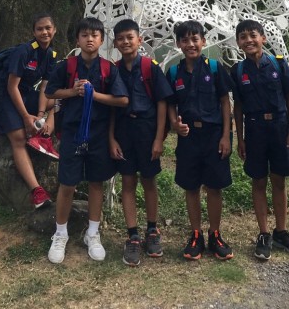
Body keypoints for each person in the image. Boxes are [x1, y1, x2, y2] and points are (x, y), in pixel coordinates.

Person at [44, 17, 129, 264]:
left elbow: (122, 99)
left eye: (95, 35)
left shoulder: (108, 68)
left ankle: (92, 233)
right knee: (67, 184)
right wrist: (74, 91)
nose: (89, 39)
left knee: (95, 183)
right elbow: (50, 91)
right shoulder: (67, 66)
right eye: (84, 35)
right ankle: (60, 234)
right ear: (77, 39)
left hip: (99, 135)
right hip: (72, 133)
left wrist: (95, 94)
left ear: (102, 40)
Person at [231, 19, 289, 260]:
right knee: (258, 181)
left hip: (279, 127)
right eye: (243, 37)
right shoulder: (238, 71)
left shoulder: (278, 64)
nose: (248, 40)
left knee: (279, 180)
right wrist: (240, 139)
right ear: (238, 43)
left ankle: (282, 232)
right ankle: (264, 234)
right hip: (254, 130)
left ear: (263, 38)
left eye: (253, 35)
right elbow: (238, 107)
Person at [167, 20, 234, 261]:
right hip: (189, 138)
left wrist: (226, 135)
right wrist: (174, 123)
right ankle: (196, 234)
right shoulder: (174, 72)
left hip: (214, 135)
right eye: (185, 40)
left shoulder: (215, 68)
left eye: (195, 39)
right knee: (191, 186)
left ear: (204, 42)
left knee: (214, 186)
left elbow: (225, 102)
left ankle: (215, 234)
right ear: (178, 44)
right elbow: (170, 103)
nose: (190, 44)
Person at [108, 18, 173, 266]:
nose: (126, 42)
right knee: (127, 181)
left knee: (149, 180)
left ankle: (152, 230)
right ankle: (133, 235)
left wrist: (159, 138)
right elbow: (112, 108)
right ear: (115, 43)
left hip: (147, 129)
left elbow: (162, 103)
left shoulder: (150, 67)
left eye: (130, 37)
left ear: (139, 40)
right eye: (121, 38)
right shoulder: (113, 69)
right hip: (124, 130)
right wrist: (111, 138)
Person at [0, 13, 60, 210]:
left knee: (58, 101)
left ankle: (44, 137)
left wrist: (39, 115)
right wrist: (25, 117)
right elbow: (11, 87)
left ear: (54, 30)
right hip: (5, 94)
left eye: (48, 28)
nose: (44, 32)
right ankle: (37, 191)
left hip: (26, 93)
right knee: (19, 138)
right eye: (40, 29)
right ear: (33, 32)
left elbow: (46, 87)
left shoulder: (51, 55)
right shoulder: (24, 51)